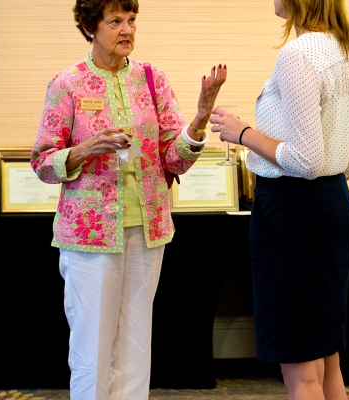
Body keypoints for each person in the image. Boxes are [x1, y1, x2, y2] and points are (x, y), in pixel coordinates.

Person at [30, 0, 226, 399]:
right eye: (115, 21)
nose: (127, 30)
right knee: (94, 347)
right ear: (90, 27)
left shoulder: (153, 80)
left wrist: (200, 118)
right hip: (90, 235)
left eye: (132, 20)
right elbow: (42, 163)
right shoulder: (67, 84)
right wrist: (86, 149)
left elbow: (175, 158)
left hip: (148, 230)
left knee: (137, 343)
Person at [210, 0, 349, 399]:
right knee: (326, 359)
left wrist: (241, 132)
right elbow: (347, 160)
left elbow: (305, 160)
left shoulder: (299, 53)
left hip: (294, 212)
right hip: (332, 205)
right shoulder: (343, 50)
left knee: (301, 368)